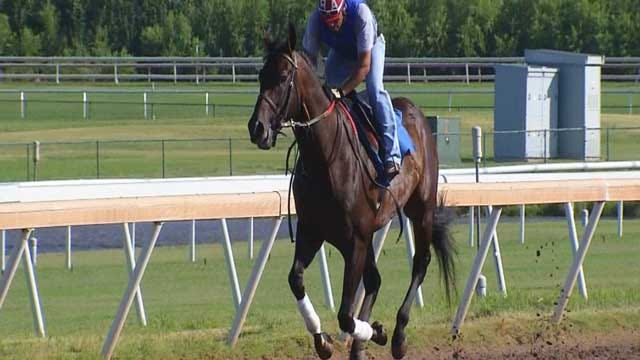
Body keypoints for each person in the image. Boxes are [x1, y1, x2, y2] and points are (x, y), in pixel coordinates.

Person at [303, 0, 401, 181]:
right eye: (327, 21)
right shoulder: (315, 20)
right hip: (342, 52)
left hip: (370, 48)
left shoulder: (361, 14)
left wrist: (341, 91)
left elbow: (363, 67)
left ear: (344, 11)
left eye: (335, 19)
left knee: (375, 91)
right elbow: (308, 62)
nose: (331, 25)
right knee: (326, 92)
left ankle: (392, 156)